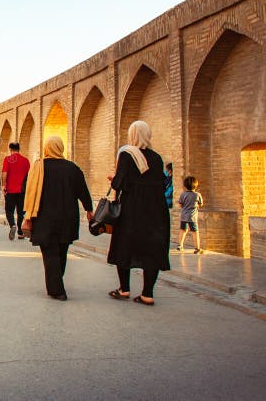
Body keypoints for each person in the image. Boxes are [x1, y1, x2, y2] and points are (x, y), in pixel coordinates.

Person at [107, 120, 171, 306]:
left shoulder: (127, 155)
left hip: (132, 209)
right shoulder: (157, 158)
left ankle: (124, 289)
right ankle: (147, 294)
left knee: (124, 246)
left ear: (132, 135)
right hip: (155, 210)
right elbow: (159, 182)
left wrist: (113, 178)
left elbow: (119, 183)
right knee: (151, 249)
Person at [22, 136, 93, 301]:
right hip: (67, 217)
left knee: (50, 253)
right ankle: (57, 283)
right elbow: (83, 191)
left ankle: (57, 289)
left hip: (44, 217)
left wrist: (26, 212)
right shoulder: (72, 168)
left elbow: (27, 189)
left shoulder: (38, 168)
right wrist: (89, 209)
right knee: (62, 251)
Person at [2, 142, 31, 240]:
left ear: (10, 149)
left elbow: (5, 173)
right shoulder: (26, 161)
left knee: (9, 210)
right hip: (22, 190)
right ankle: (20, 231)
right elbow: (28, 176)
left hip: (10, 190)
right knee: (20, 212)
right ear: (19, 149)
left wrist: (4, 185)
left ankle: (12, 225)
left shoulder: (8, 159)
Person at [177, 176, 204, 253]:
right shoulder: (197, 195)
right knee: (195, 232)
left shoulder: (183, 194)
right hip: (192, 217)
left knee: (183, 230)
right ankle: (197, 248)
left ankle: (180, 245)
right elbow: (201, 204)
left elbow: (180, 205)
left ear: (185, 186)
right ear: (196, 185)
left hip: (183, 216)